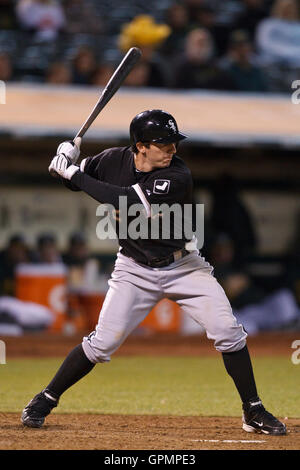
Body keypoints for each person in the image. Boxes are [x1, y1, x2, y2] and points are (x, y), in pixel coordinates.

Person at [21, 110, 286, 436]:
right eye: (164, 143)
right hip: (134, 268)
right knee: (101, 344)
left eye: (174, 142)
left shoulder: (178, 175)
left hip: (184, 267)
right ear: (141, 146)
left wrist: (72, 172)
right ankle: (46, 398)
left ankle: (253, 411)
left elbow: (126, 200)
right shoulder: (111, 160)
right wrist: (64, 160)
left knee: (228, 331)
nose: (172, 148)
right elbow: (79, 183)